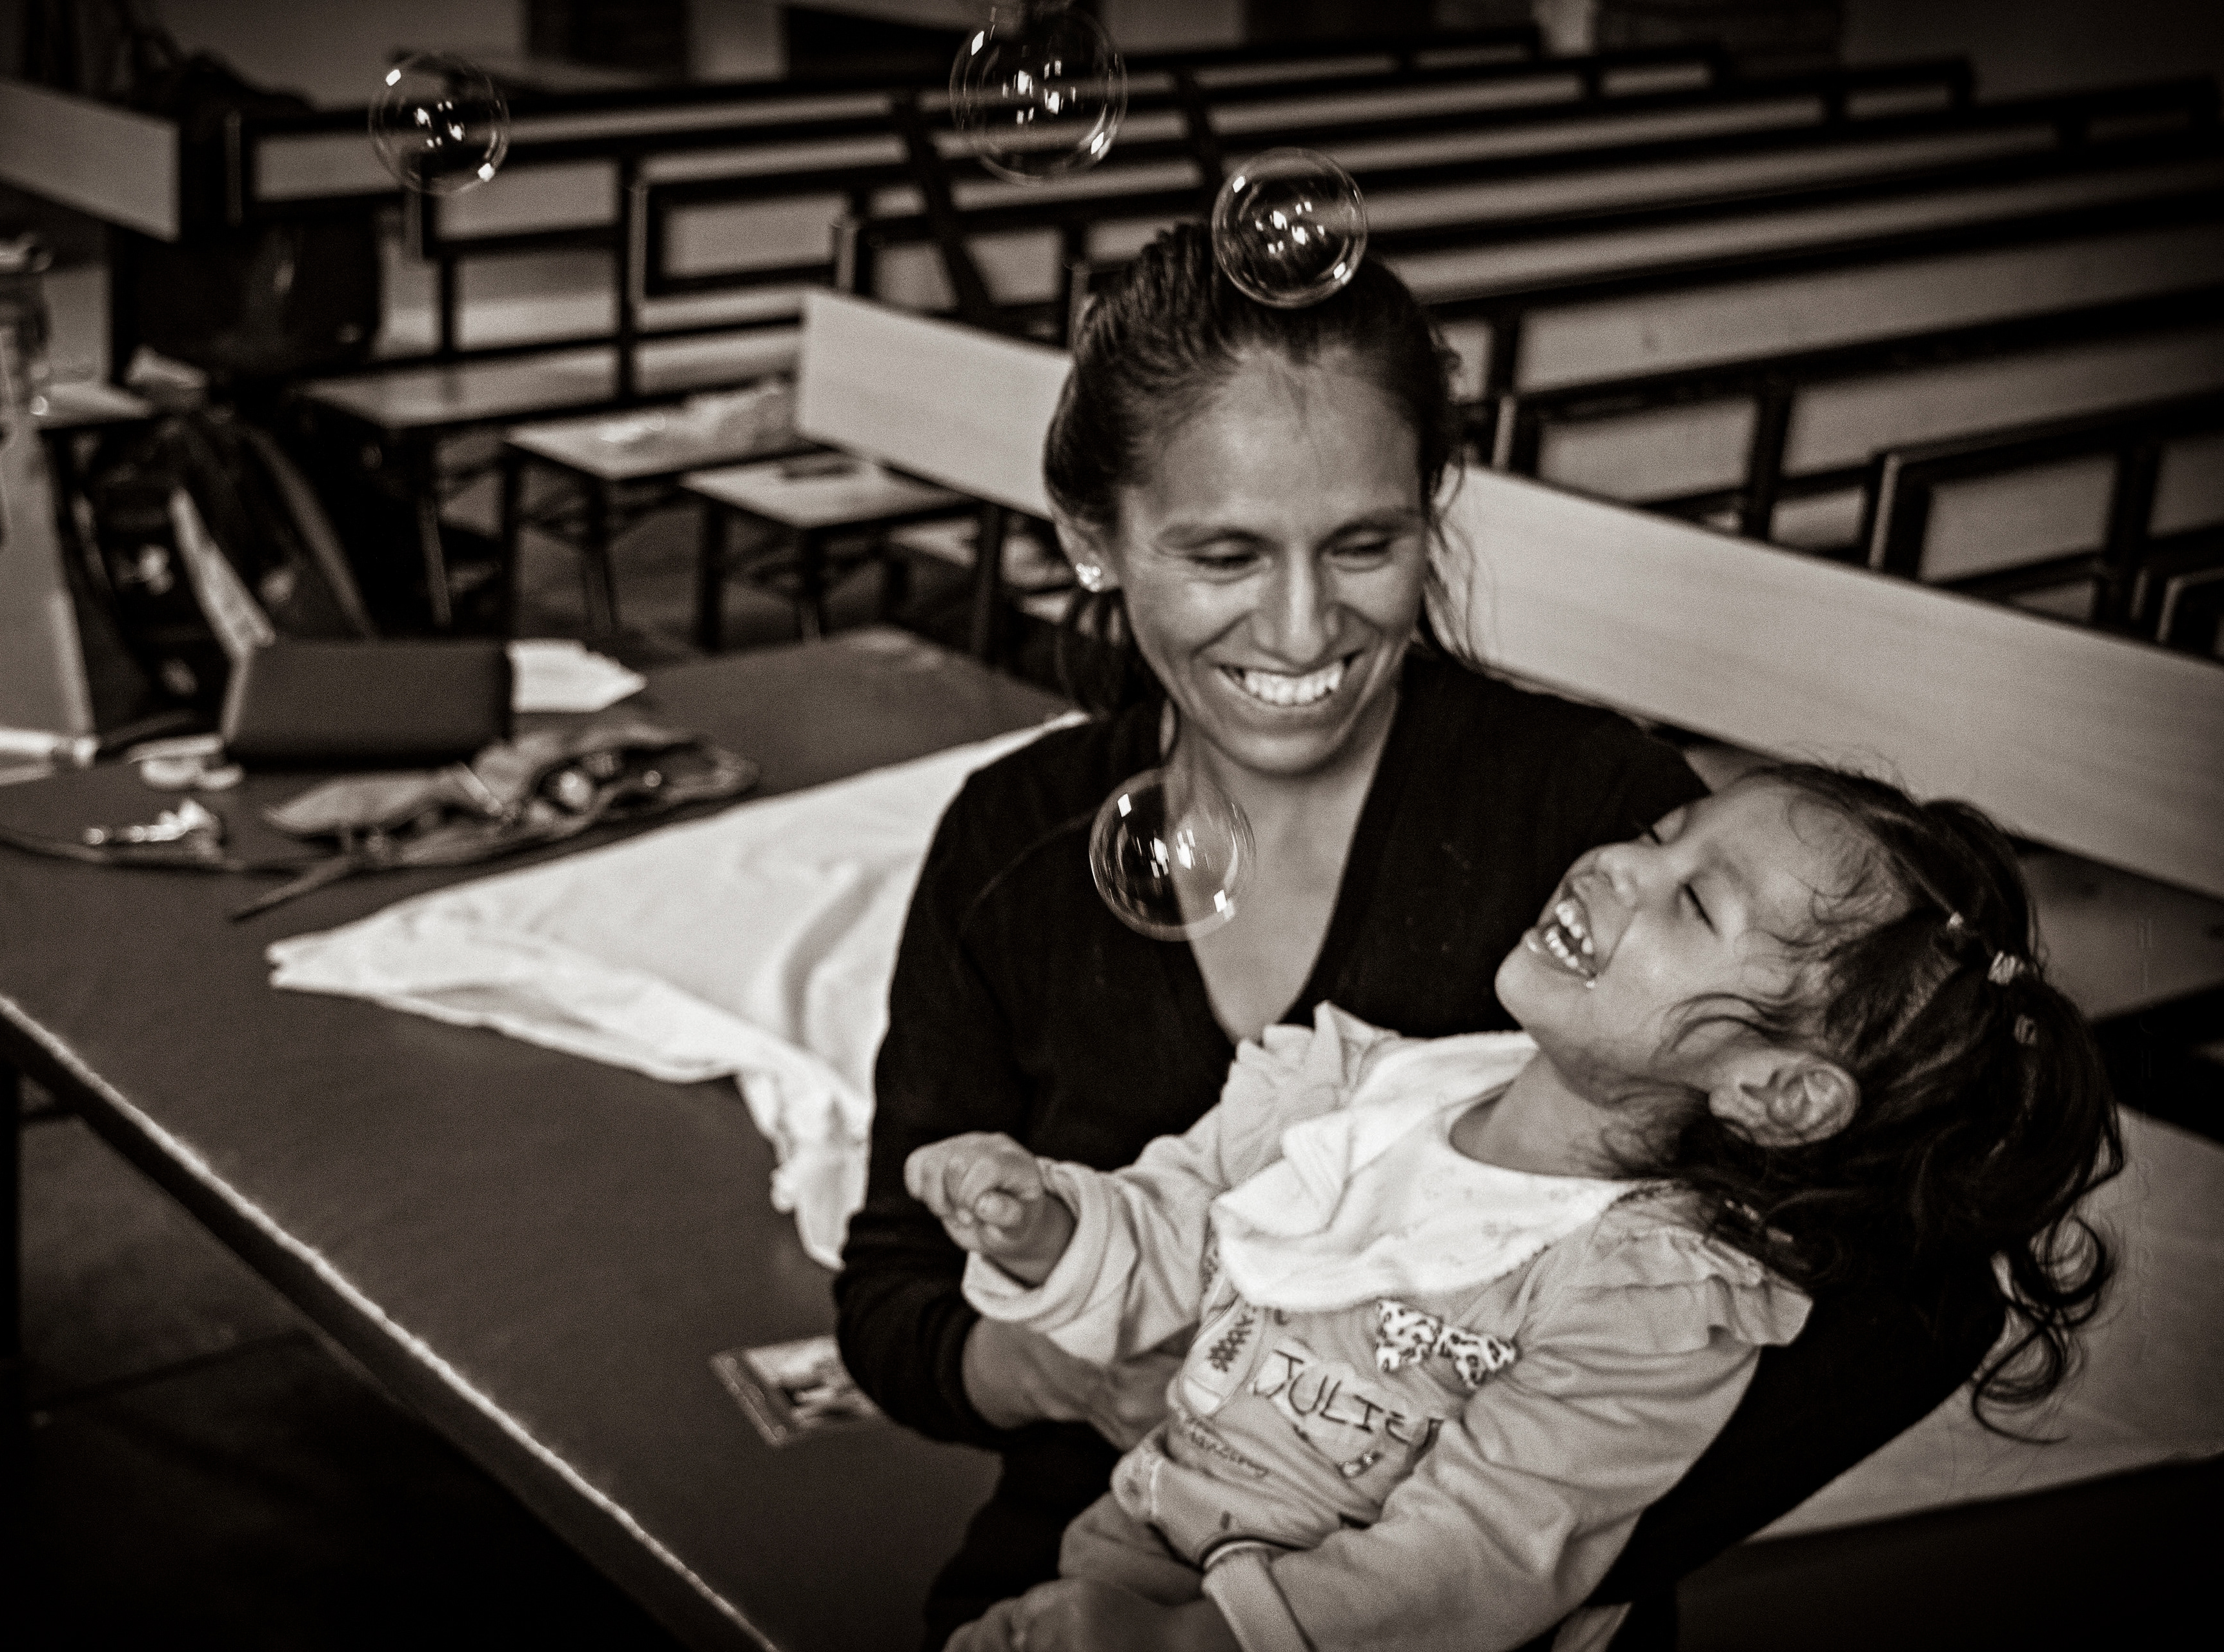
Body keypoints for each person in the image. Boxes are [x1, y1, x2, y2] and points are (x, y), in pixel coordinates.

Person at [831, 225, 1995, 1651]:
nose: (1306, 623)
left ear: (1431, 508)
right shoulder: (1013, 843)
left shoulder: (1593, 821)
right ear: (1092, 538)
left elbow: (1922, 1296)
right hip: (1101, 1543)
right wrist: (1072, 1369)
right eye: (1222, 552)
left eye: (1366, 543)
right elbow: (892, 1293)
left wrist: (1488, 1528)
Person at [908, 767, 2121, 1652]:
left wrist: (1187, 1647)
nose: (1621, 864)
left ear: (1776, 1094)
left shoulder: (1647, 1290)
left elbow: (1479, 1561)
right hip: (1133, 1539)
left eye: (1696, 904)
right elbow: (1166, 1240)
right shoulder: (1356, 1083)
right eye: (1662, 833)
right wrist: (1046, 1229)